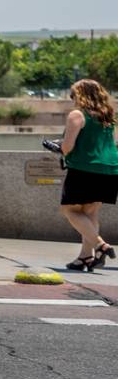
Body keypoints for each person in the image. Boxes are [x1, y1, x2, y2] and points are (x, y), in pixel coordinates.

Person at [56, 78, 118, 271]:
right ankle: (85, 257)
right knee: (90, 212)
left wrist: (58, 147)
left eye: (73, 94)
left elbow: (68, 147)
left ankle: (100, 245)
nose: (72, 99)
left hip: (85, 168)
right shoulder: (107, 115)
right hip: (109, 168)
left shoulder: (77, 114)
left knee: (69, 210)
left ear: (80, 95)